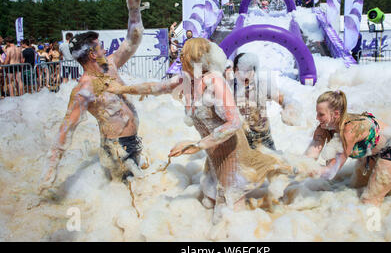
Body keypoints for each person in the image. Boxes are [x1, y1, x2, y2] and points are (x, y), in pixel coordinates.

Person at [105, 38, 293, 223]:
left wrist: (197, 145)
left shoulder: (216, 83)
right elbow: (155, 87)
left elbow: (234, 122)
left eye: (184, 54)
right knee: (210, 203)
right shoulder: (187, 81)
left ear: (195, 58)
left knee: (229, 215)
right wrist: (122, 88)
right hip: (213, 155)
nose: (180, 57)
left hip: (232, 155)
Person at [39, 0, 150, 194]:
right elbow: (66, 130)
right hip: (116, 148)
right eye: (100, 47)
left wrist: (134, 11)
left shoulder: (111, 65)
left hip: (132, 141)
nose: (104, 50)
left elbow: (133, 40)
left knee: (136, 191)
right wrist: (51, 170)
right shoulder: (84, 90)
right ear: (92, 54)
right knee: (128, 194)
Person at [304, 90, 391, 206]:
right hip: (370, 152)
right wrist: (298, 166)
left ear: (336, 114)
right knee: (356, 187)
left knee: (369, 201)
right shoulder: (323, 127)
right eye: (317, 113)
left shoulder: (350, 130)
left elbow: (331, 171)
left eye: (321, 114)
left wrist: (316, 171)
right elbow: (310, 155)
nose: (317, 118)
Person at [231, 52, 292, 151]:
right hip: (240, 140)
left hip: (263, 138)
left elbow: (283, 99)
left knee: (276, 163)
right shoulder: (229, 88)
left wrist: (289, 110)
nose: (245, 75)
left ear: (254, 71)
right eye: (241, 70)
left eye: (249, 70)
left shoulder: (262, 85)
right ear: (235, 71)